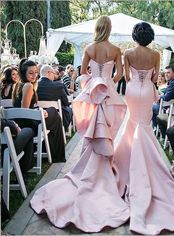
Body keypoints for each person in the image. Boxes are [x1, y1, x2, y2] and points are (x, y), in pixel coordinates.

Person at [30, 15, 128, 232]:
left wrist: (95, 82)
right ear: (109, 29)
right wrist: (108, 83)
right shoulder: (115, 49)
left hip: (94, 92)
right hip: (108, 93)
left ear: (97, 28)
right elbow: (120, 73)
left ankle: (89, 167)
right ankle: (103, 168)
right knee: (107, 129)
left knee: (93, 126)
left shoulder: (90, 48)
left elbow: (83, 73)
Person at [112, 22, 174, 235]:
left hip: (132, 91)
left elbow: (127, 77)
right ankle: (146, 164)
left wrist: (136, 81)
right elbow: (156, 77)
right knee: (144, 126)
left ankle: (127, 162)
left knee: (132, 124)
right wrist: (146, 80)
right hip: (148, 90)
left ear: (134, 35)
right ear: (150, 36)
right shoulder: (156, 54)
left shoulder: (128, 53)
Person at [13, 59, 65, 163]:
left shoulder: (18, 85)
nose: (34, 75)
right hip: (28, 124)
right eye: (31, 73)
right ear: (24, 73)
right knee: (54, 113)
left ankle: (50, 151)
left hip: (23, 122)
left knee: (52, 113)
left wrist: (39, 110)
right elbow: (24, 111)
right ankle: (55, 154)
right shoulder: (28, 85)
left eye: (36, 72)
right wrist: (38, 112)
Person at [37, 64, 72, 130]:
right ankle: (64, 130)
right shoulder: (58, 86)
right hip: (56, 116)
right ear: (49, 73)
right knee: (70, 110)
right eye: (53, 73)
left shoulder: (34, 86)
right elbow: (66, 103)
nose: (54, 76)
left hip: (38, 116)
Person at [152, 65, 174, 130]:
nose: (166, 75)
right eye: (165, 73)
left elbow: (166, 97)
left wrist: (157, 97)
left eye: (168, 73)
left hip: (168, 109)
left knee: (151, 107)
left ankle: (156, 128)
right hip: (171, 107)